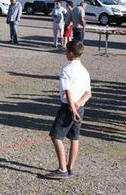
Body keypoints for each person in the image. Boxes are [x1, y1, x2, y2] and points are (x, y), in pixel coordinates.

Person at [46, 41, 92, 179]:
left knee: (56, 136)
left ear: (71, 53)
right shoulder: (85, 71)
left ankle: (62, 169)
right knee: (74, 138)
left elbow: (68, 92)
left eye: (67, 51)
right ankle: (70, 168)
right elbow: (89, 93)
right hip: (80, 107)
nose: (65, 53)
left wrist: (73, 109)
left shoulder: (67, 70)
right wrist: (79, 105)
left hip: (68, 108)